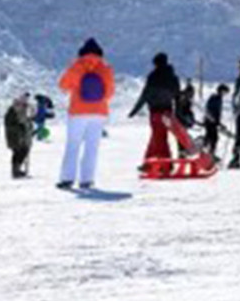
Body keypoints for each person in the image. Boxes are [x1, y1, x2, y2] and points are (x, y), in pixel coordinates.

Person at [57, 38, 115, 190]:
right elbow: (110, 92)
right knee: (92, 147)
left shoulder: (77, 66)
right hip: (99, 112)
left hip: (78, 111)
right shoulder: (105, 68)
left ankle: (67, 179)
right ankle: (87, 180)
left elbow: (63, 84)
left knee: (73, 145)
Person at [128, 53, 181, 170]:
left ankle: (163, 164)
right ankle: (152, 163)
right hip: (168, 111)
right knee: (159, 136)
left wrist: (134, 111)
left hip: (155, 111)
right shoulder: (173, 77)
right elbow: (177, 96)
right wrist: (178, 113)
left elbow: (145, 95)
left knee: (158, 138)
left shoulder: (153, 76)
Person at [4, 92, 33, 179]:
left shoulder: (21, 112)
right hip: (14, 137)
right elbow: (9, 125)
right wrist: (19, 127)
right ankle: (15, 171)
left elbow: (27, 122)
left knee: (24, 150)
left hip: (21, 137)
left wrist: (29, 128)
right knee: (17, 152)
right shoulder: (11, 113)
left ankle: (18, 169)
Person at [203, 84, 229, 158]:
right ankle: (209, 153)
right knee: (213, 137)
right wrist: (212, 119)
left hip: (213, 121)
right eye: (225, 92)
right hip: (209, 121)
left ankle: (209, 152)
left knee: (211, 137)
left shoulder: (219, 98)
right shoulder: (214, 98)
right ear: (221, 91)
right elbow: (209, 109)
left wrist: (218, 122)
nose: (225, 94)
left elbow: (217, 112)